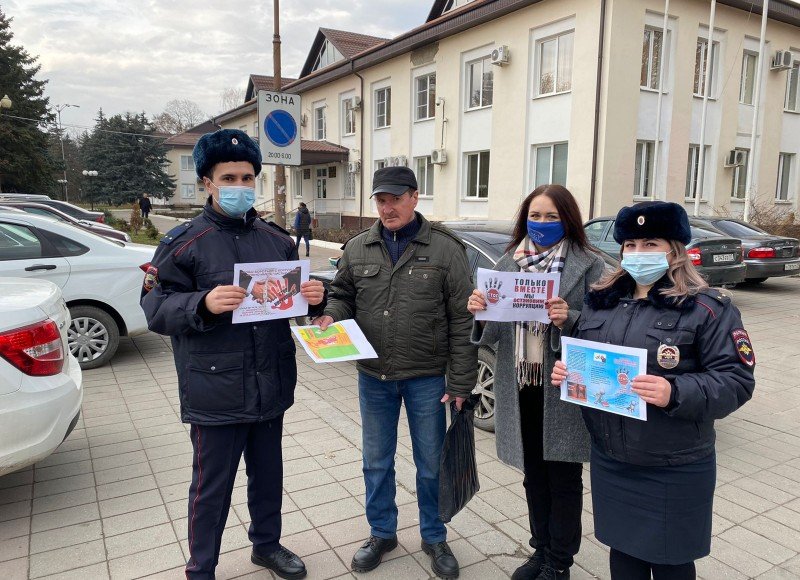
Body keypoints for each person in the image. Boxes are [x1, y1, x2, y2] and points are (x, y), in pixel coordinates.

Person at [140, 128, 326, 580]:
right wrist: (200, 303)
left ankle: (267, 546)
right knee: (211, 488)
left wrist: (316, 298)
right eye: (230, 177)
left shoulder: (277, 240)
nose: (240, 186)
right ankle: (201, 566)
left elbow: (295, 305)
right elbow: (154, 309)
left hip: (271, 381)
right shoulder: (183, 243)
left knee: (268, 476)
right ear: (207, 181)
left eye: (247, 178)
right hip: (215, 388)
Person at [551, 201, 755, 580]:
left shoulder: (706, 308)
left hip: (673, 465)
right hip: (612, 459)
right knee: (623, 555)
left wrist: (674, 391)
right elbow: (591, 358)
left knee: (671, 563)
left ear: (674, 249)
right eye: (630, 245)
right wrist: (570, 371)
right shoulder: (602, 301)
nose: (638, 253)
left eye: (650, 244)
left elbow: (737, 380)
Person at [313, 166, 477, 579]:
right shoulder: (359, 247)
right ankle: (382, 532)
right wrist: (329, 315)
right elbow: (343, 295)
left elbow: (462, 321)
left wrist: (460, 382)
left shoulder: (445, 249)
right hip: (374, 376)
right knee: (376, 461)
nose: (387, 207)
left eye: (395, 198)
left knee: (429, 463)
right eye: (380, 200)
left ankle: (434, 536)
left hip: (426, 378)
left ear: (414, 197)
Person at [467, 184, 606, 580]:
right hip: (520, 385)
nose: (541, 223)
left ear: (568, 220)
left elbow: (608, 328)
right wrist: (479, 313)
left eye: (551, 216)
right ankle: (539, 551)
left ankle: (559, 562)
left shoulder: (591, 265)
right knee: (533, 475)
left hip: (562, 387)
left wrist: (572, 318)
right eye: (534, 215)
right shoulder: (509, 263)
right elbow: (492, 334)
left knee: (563, 477)